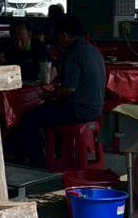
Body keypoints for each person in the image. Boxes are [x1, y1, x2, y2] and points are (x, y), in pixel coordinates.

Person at [18, 14, 106, 166]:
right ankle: (57, 154)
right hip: (96, 109)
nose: (55, 40)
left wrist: (49, 94)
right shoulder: (92, 51)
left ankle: (38, 163)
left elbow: (69, 89)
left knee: (29, 120)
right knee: (48, 113)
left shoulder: (74, 54)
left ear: (65, 35)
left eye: (56, 35)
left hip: (79, 110)